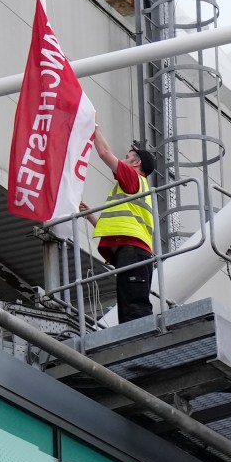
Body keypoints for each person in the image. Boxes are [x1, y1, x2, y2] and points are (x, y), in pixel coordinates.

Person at [80, 124, 156, 323]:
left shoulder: (133, 178)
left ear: (136, 162)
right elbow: (118, 231)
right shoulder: (135, 189)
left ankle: (142, 340)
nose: (123, 159)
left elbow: (104, 153)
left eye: (128, 156)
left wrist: (94, 126)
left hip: (134, 254)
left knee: (134, 308)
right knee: (129, 307)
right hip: (134, 253)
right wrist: (90, 217)